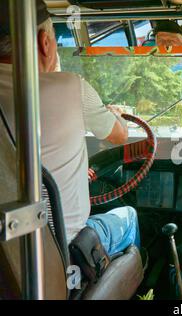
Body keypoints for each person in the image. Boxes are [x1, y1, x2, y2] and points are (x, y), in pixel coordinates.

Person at [0, 0, 139, 256]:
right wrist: (115, 115)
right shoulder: (70, 86)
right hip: (63, 250)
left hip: (7, 259)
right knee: (128, 216)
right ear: (44, 43)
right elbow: (120, 135)